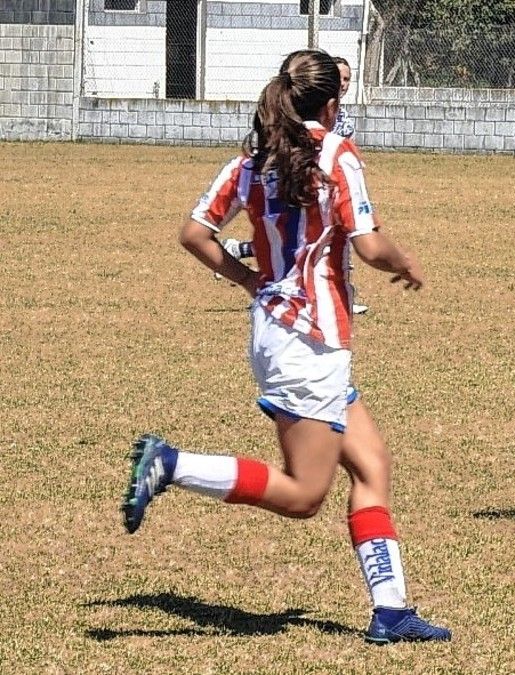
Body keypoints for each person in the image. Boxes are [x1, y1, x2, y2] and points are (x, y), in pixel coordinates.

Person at [121, 49, 450, 643]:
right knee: (303, 495)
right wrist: (407, 262)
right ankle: (171, 464)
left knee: (372, 465)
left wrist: (250, 280)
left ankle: (391, 610)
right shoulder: (337, 155)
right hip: (310, 342)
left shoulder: (251, 160)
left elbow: (195, 234)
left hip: (283, 332)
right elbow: (371, 246)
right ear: (331, 102)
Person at [222, 55, 365, 314]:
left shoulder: (345, 122)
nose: (344, 84)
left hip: (327, 185)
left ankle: (334, 293)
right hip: (304, 183)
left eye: (348, 79)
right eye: (340, 78)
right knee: (302, 235)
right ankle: (303, 293)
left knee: (319, 235)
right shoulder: (297, 116)